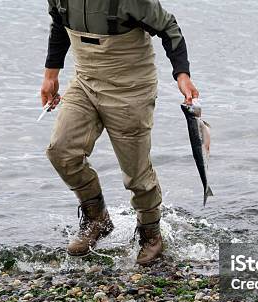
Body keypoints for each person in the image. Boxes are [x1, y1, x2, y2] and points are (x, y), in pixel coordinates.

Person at [41, 0, 199, 265]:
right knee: (61, 151)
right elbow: (59, 23)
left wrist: (182, 76)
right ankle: (97, 219)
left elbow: (169, 27)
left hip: (131, 88)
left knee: (136, 174)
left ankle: (151, 235)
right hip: (85, 81)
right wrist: (50, 74)